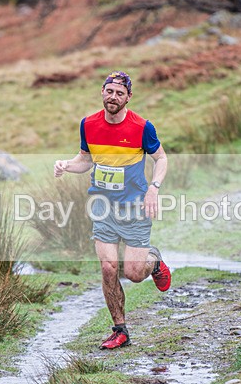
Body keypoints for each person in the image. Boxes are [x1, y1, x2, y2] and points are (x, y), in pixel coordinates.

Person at [54, 71, 171, 350]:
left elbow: (161, 159)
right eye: (109, 91)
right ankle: (120, 330)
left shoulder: (142, 127)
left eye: (120, 93)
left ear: (128, 97)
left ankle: (154, 261)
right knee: (108, 268)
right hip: (103, 206)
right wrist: (67, 165)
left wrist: (154, 188)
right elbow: (85, 160)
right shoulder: (88, 124)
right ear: (102, 92)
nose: (113, 97)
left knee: (133, 273)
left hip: (134, 207)